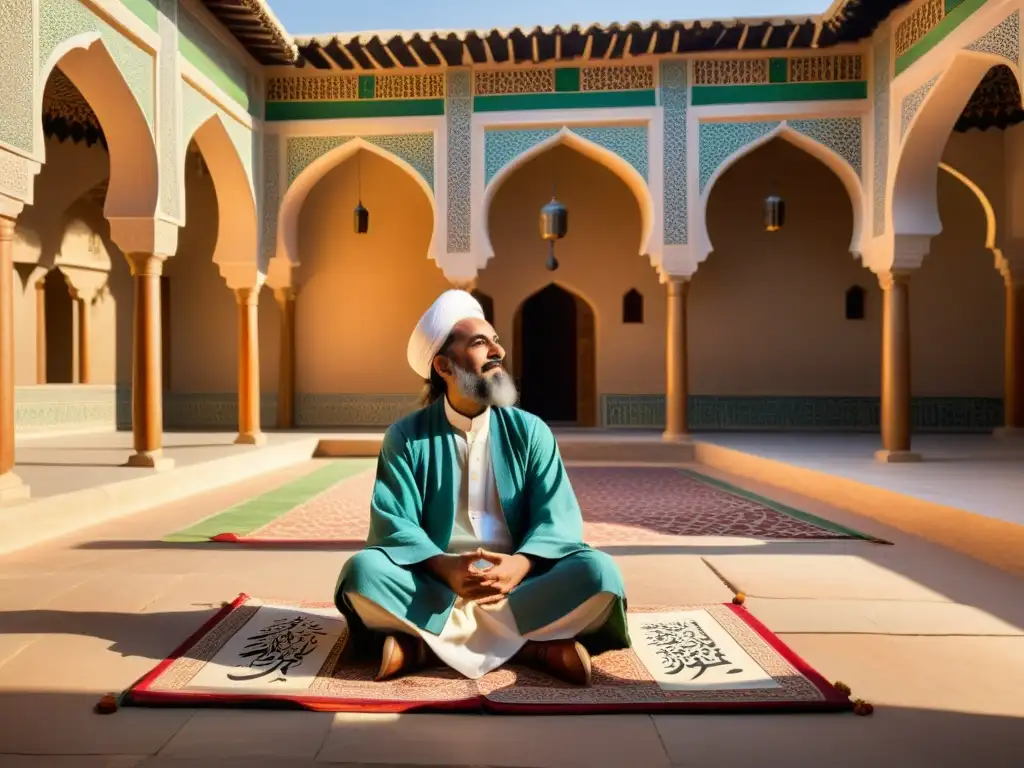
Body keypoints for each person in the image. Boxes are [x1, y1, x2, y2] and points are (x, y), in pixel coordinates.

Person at [334, 289, 629, 685]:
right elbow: (394, 525)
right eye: (479, 343)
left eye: (496, 341)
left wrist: (520, 566)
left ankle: (422, 645)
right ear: (443, 365)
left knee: (599, 573)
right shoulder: (405, 437)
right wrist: (445, 569)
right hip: (435, 584)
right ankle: (533, 646)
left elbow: (556, 518)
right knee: (362, 573)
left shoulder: (530, 431)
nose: (498, 352)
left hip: (523, 584)